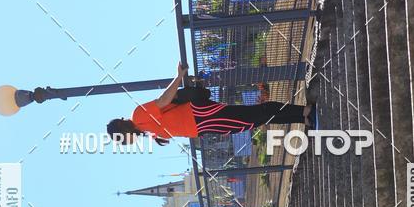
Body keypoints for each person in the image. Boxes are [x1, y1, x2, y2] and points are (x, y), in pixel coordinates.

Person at [106, 62, 316, 145]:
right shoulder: (147, 131)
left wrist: (178, 76)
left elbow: (164, 100)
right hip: (203, 126)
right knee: (252, 122)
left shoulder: (138, 115)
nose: (127, 143)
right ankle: (301, 117)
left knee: (254, 114)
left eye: (122, 139)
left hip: (201, 115)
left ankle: (303, 111)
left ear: (122, 129)